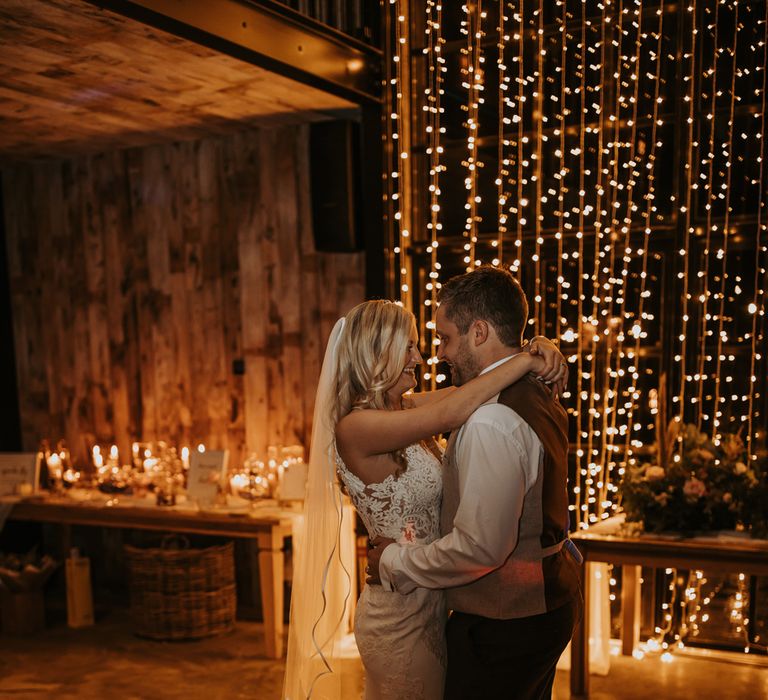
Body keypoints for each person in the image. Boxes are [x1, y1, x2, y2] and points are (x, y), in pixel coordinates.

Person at [283, 297, 567, 700]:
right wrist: (525, 360)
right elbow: (454, 411)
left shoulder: (402, 408)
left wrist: (537, 347)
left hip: (432, 595)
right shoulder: (355, 427)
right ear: (376, 353)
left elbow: (466, 390)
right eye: (409, 346)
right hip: (398, 610)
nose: (421, 356)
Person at [367, 266, 583, 700]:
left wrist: (394, 562)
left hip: (505, 621)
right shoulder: (528, 388)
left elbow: (481, 547)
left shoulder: (490, 421)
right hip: (545, 601)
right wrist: (532, 352)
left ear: (479, 332)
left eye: (446, 338)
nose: (439, 353)